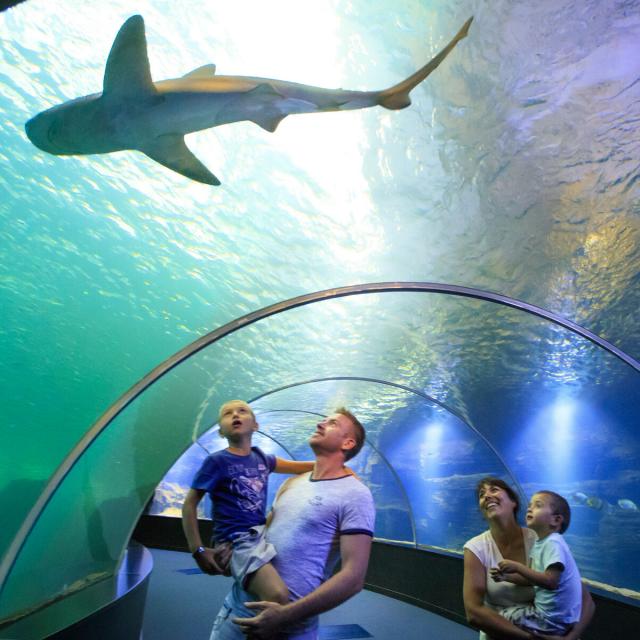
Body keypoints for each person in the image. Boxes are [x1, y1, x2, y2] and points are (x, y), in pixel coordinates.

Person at [209, 407, 375, 639]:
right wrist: (233, 555)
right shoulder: (291, 483)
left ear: (348, 443)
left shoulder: (356, 494)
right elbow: (261, 539)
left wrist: (286, 615)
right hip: (237, 611)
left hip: (290, 628)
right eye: (323, 420)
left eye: (332, 423)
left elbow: (353, 577)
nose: (320, 424)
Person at [182, 400, 317, 605]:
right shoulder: (217, 461)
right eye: (228, 414)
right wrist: (197, 550)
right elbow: (190, 504)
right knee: (277, 595)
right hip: (236, 541)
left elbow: (303, 467)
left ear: (255, 425)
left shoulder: (263, 458)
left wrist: (338, 467)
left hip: (261, 534)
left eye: (242, 411)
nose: (235, 415)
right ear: (221, 431)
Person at [463, 477, 594, 640]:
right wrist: (530, 639)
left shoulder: (543, 538)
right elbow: (474, 613)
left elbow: (585, 599)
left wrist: (571, 638)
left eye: (494, 490)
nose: (487, 496)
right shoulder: (475, 548)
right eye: (482, 494)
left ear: (513, 502)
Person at [490, 491, 582, 635]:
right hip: (558, 619)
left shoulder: (553, 543)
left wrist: (518, 567)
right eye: (529, 505)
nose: (529, 508)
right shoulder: (542, 543)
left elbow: (551, 582)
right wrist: (507, 577)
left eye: (537, 505)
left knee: (499, 618)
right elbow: (532, 579)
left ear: (556, 520)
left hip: (551, 619)